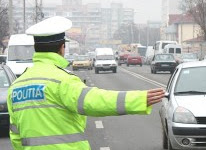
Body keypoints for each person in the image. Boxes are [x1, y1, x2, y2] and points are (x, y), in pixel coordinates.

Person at [7, 16, 164, 150]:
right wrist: (139, 99)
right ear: (62, 47)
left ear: (36, 47)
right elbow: (95, 101)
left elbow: (15, 135)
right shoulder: (62, 81)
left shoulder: (16, 86)